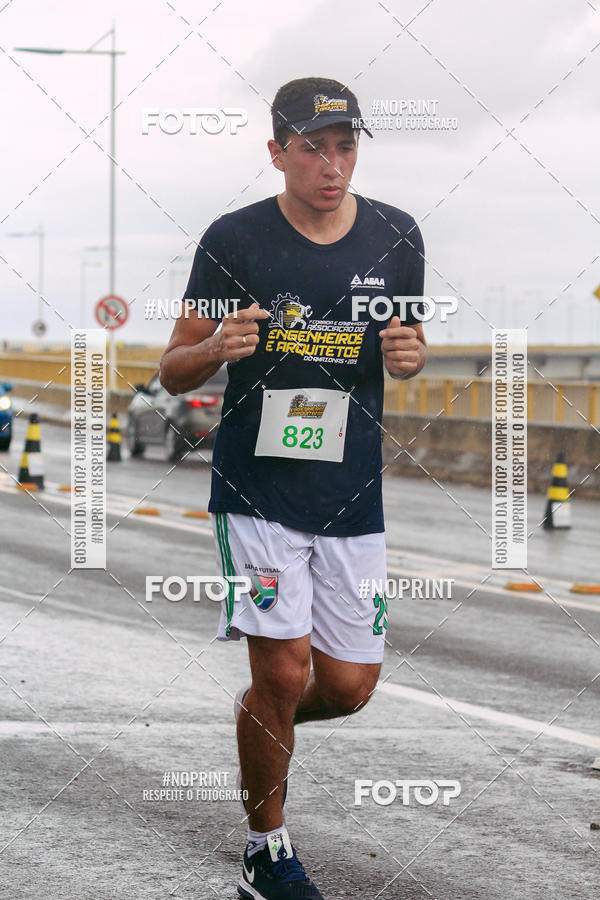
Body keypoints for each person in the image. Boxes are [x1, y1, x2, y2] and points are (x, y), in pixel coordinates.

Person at [160, 76, 427, 900]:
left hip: (351, 496)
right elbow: (169, 369)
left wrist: (412, 358)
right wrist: (217, 349)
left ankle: (259, 727)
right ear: (276, 153)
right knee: (281, 671)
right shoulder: (233, 240)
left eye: (345, 147)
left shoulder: (396, 235)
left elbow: (408, 345)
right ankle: (264, 849)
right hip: (258, 490)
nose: (332, 164)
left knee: (346, 689)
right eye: (313, 147)